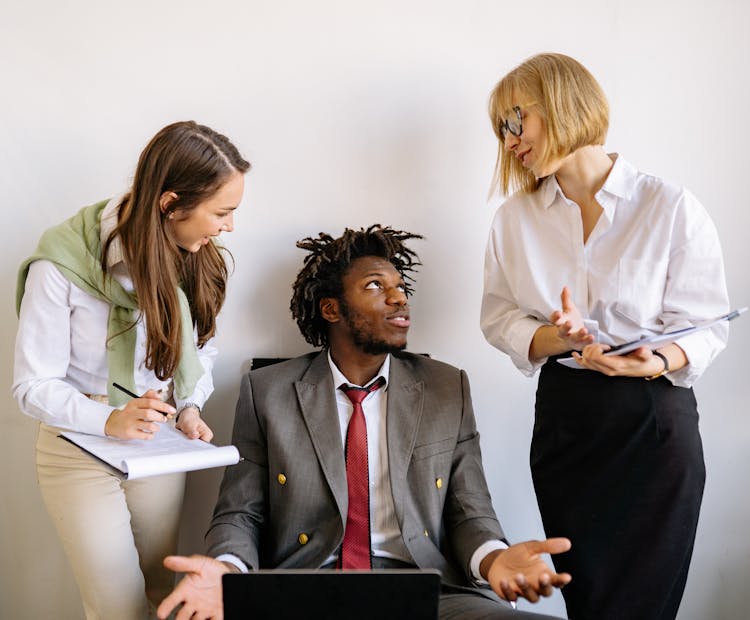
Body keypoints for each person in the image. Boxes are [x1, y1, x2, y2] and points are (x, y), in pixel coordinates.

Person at [157, 224, 572, 620]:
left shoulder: (447, 387)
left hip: (431, 594)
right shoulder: (268, 392)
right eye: (376, 286)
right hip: (307, 591)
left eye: (400, 288)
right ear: (331, 308)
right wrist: (227, 572)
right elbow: (240, 513)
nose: (398, 299)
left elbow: (469, 512)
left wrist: (496, 561)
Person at [480, 53, 730, 620]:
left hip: (654, 420)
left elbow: (707, 325)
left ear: (563, 104)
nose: (509, 140)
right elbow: (499, 319)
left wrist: (653, 360)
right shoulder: (513, 219)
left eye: (516, 120)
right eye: (501, 129)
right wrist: (558, 337)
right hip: (568, 422)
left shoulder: (668, 205)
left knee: (643, 605)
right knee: (590, 602)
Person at [13, 120, 250, 619]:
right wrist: (108, 420)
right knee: (118, 607)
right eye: (222, 212)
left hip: (155, 440)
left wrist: (187, 407)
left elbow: (201, 345)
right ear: (169, 204)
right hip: (75, 447)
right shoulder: (61, 265)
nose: (228, 226)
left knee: (168, 589)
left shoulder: (193, 255)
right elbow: (32, 385)